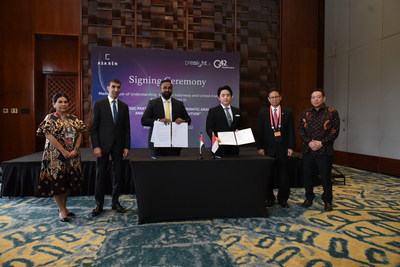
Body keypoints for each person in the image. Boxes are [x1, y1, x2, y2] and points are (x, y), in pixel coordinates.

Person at [36, 93, 86, 222]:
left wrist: (75, 149)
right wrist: (63, 150)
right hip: (55, 156)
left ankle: (64, 207)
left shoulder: (73, 118)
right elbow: (48, 135)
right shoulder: (50, 118)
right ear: (54, 104)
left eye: (65, 101)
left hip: (72, 155)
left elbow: (80, 133)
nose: (63, 104)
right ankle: (62, 210)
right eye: (60, 101)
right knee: (57, 182)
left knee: (67, 182)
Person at [90, 78, 131, 216]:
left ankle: (115, 202)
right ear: (108, 88)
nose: (116, 89)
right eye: (113, 87)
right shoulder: (99, 104)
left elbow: (127, 129)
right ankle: (99, 204)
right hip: (102, 146)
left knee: (117, 176)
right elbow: (93, 128)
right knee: (100, 176)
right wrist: (96, 146)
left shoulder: (124, 106)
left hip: (119, 147)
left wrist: (126, 146)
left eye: (118, 87)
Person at [298, 88, 340, 211]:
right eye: (313, 97)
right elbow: (301, 130)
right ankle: (309, 198)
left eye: (318, 97)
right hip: (308, 150)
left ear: (324, 98)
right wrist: (309, 142)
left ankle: (327, 201)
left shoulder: (332, 113)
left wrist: (322, 143)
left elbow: (335, 131)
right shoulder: (305, 113)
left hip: (324, 151)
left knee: (326, 177)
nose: (315, 99)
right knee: (308, 176)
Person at [256, 88, 295, 208]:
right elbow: (260, 131)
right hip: (267, 149)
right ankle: (269, 198)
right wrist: (260, 147)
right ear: (268, 99)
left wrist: (291, 147)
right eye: (271, 97)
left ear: (280, 98)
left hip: (283, 149)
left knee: (284, 175)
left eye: (276, 97)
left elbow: (291, 131)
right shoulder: (263, 113)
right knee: (269, 175)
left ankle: (283, 199)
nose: (274, 99)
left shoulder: (288, 112)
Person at [141, 79, 191, 156]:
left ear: (172, 90)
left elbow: (188, 120)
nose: (167, 90)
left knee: (174, 168)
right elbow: (144, 121)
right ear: (160, 90)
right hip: (157, 145)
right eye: (164, 88)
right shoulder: (153, 103)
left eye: (169, 88)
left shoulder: (179, 104)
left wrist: (182, 120)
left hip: (174, 145)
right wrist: (158, 121)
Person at [206, 85, 242, 157]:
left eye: (228, 95)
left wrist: (240, 131)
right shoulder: (213, 111)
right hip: (219, 147)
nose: (226, 97)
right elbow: (209, 128)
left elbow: (242, 126)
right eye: (223, 95)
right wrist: (214, 138)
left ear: (231, 97)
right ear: (219, 98)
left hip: (234, 148)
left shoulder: (237, 111)